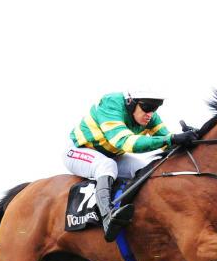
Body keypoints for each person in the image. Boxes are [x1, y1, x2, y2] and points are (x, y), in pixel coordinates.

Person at [63, 90, 198, 241]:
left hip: (113, 155)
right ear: (130, 103)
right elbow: (125, 143)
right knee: (107, 166)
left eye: (155, 108)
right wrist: (172, 139)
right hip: (78, 151)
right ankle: (108, 218)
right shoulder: (111, 105)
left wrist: (192, 138)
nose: (150, 114)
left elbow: (167, 143)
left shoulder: (149, 116)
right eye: (147, 108)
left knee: (146, 168)